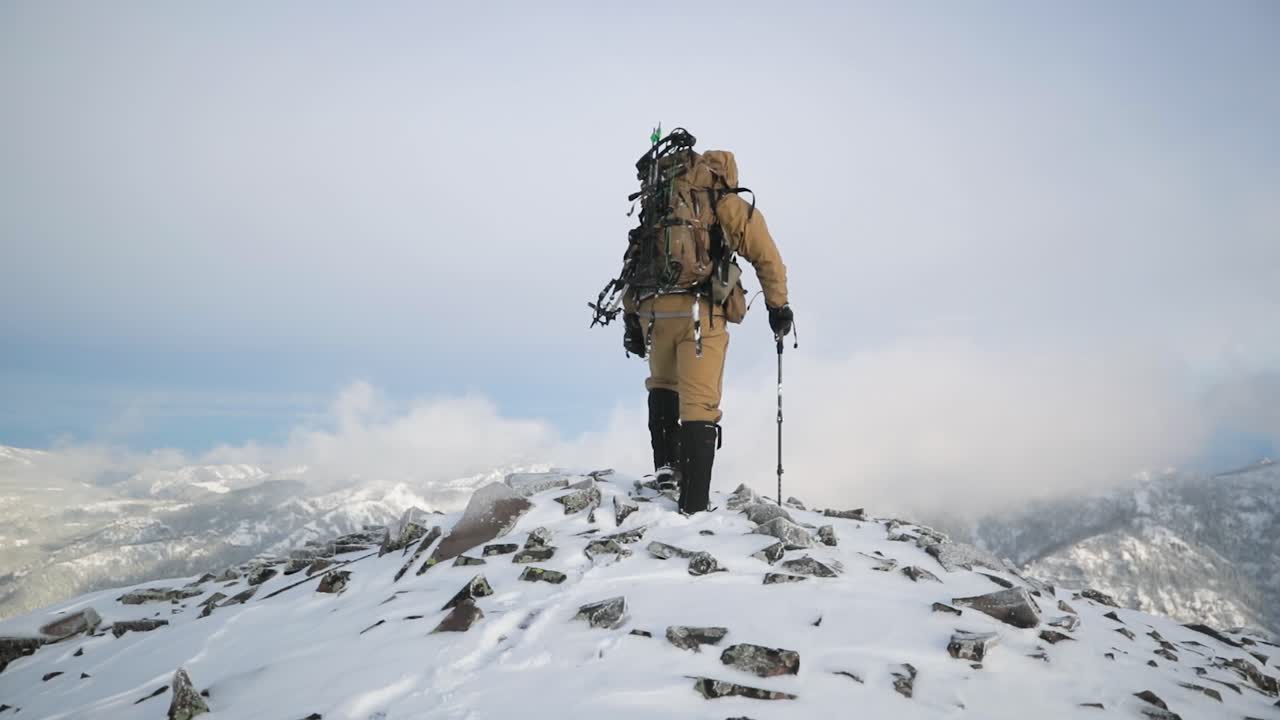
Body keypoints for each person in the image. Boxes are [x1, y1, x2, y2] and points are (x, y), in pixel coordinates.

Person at [620, 143, 792, 515]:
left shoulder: (660, 204)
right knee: (699, 404)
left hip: (651, 311)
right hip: (699, 313)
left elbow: (634, 261)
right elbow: (767, 257)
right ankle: (694, 508)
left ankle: (666, 474)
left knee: (663, 385)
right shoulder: (725, 202)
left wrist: (632, 319)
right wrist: (778, 307)